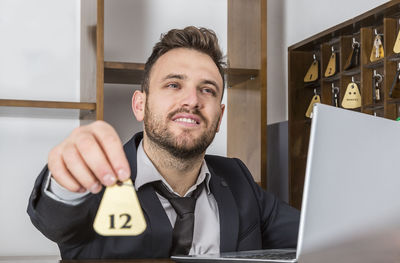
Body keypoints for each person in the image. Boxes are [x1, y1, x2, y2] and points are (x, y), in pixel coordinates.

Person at [27, 26, 299, 259]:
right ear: (140, 105)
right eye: (173, 85)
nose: (192, 100)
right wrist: (67, 179)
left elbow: (312, 235)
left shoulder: (238, 177)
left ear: (219, 117)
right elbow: (54, 221)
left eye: (207, 90)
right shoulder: (98, 181)